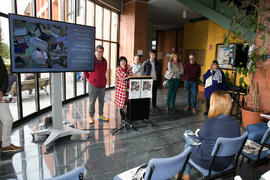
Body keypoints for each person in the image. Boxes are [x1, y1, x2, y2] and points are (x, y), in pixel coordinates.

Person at [182, 91, 240, 180]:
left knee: (187, 140)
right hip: (226, 162)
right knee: (194, 141)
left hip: (210, 164)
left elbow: (199, 138)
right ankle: (185, 173)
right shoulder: (236, 123)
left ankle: (185, 173)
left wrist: (199, 132)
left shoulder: (210, 122)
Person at [0, 56, 24, 153]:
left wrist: (1, 90)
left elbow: (4, 75)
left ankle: (3, 142)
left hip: (1, 94)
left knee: (3, 121)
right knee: (8, 120)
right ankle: (6, 145)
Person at [84, 45, 108, 124]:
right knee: (92, 101)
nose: (100, 53)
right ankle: (91, 116)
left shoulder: (105, 61)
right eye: (99, 52)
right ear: (95, 52)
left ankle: (100, 115)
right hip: (93, 85)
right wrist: (91, 78)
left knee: (101, 101)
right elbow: (85, 71)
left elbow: (104, 72)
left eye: (102, 52)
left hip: (102, 85)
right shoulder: (91, 60)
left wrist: (104, 80)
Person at [115, 56, 134, 121]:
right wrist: (124, 70)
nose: (123, 62)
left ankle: (128, 115)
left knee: (128, 103)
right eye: (122, 61)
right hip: (121, 90)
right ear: (119, 62)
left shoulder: (128, 67)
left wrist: (128, 73)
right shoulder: (118, 69)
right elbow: (122, 77)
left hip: (129, 88)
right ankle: (122, 117)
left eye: (124, 61)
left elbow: (132, 75)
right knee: (122, 104)